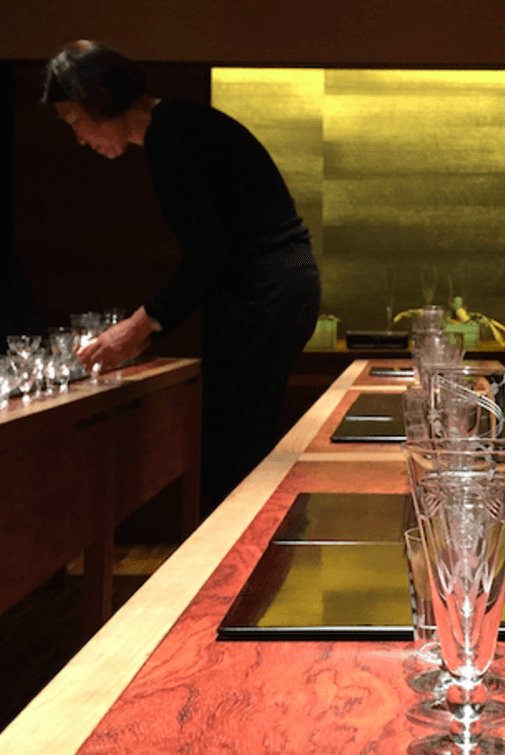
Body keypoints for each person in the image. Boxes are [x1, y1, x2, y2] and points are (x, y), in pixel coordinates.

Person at [41, 40, 321, 515]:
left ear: (99, 100)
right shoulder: (178, 123)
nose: (80, 139)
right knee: (239, 441)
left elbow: (207, 255)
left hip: (268, 289)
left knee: (234, 450)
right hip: (284, 281)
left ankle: (245, 557)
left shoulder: (172, 133)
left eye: (74, 120)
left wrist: (137, 327)